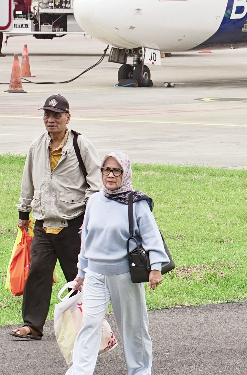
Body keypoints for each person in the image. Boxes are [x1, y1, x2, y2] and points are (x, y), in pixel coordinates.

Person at [11, 94, 102, 341]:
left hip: (73, 223)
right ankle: (33, 325)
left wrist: (89, 217)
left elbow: (96, 182)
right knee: (38, 272)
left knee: (77, 276)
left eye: (56, 115)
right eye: (47, 115)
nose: (51, 120)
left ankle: (87, 325)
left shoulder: (80, 145)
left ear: (67, 117)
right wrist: (23, 213)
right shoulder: (36, 145)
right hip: (43, 222)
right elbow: (27, 182)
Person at [67, 152, 168, 375]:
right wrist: (81, 272)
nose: (110, 175)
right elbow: (87, 239)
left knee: (134, 328)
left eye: (116, 170)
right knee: (89, 325)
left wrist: (156, 269)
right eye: (106, 170)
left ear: (125, 172)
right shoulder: (94, 200)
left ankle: (140, 370)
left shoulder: (136, 202)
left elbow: (152, 238)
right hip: (95, 274)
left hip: (125, 275)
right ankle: (79, 371)